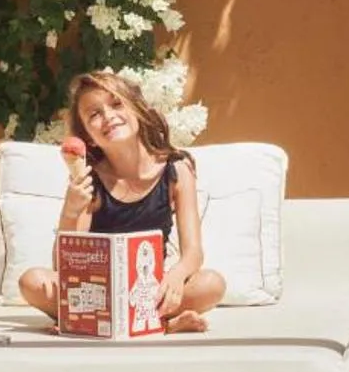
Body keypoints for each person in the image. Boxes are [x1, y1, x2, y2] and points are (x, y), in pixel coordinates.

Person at [16, 69, 226, 333]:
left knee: (211, 284)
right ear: (89, 136)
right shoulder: (89, 179)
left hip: (150, 287)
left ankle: (95, 322)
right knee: (32, 281)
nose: (108, 117)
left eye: (116, 104)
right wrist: (70, 211)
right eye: (94, 114)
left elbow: (193, 252)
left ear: (137, 110)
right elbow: (65, 266)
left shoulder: (177, 170)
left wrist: (176, 275)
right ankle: (157, 324)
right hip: (97, 289)